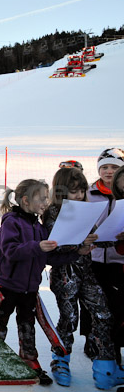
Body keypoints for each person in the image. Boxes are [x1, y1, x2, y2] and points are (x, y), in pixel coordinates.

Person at [42, 167, 124, 389]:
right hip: (64, 276)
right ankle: (60, 361)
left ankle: (105, 367)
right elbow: (54, 246)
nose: (78, 195)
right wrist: (80, 244)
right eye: (73, 191)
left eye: (81, 191)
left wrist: (114, 237)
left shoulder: (87, 211)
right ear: (60, 191)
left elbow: (97, 238)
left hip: (87, 275)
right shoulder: (52, 212)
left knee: (104, 315)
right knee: (69, 318)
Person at [0, 179, 56, 385]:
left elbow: (49, 257)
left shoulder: (39, 227)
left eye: (47, 197)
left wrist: (78, 252)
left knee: (27, 327)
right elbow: (10, 251)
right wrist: (37, 247)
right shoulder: (11, 222)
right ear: (26, 200)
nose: (46, 202)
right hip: (8, 287)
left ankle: (30, 360)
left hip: (30, 289)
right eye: (42, 198)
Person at [84, 148, 124, 370]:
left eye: (115, 167)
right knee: (91, 303)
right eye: (105, 167)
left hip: (119, 260)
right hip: (93, 258)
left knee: (116, 305)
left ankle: (114, 346)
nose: (109, 171)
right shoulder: (89, 193)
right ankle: (92, 340)